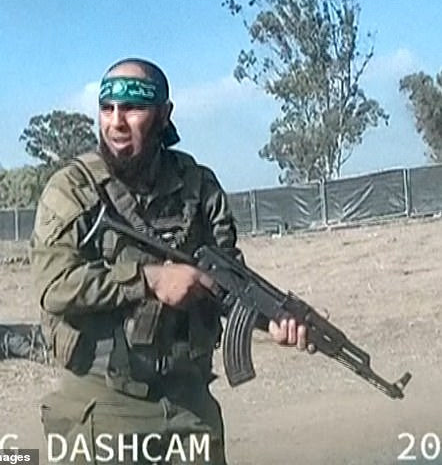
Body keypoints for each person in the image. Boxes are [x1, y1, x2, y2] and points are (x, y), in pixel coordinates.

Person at [29, 57, 309, 464]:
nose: (117, 122)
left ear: (164, 114)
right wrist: (149, 280)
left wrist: (274, 319)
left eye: (133, 108)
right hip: (102, 405)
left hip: (188, 403)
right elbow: (55, 288)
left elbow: (226, 283)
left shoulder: (198, 185)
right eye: (108, 109)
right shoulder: (72, 189)